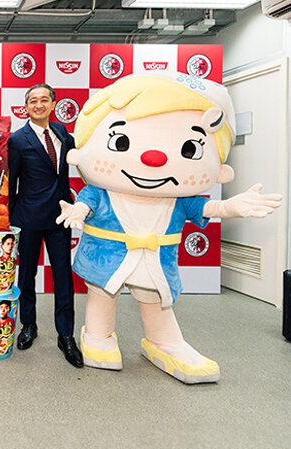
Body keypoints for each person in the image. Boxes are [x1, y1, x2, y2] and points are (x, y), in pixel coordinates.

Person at [57, 73, 281, 383]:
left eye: (190, 148)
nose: (153, 158)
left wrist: (228, 207)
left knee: (154, 301)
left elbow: (204, 207)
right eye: (121, 142)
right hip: (106, 258)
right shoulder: (102, 191)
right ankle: (98, 335)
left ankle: (164, 342)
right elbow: (87, 199)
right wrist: (78, 210)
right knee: (102, 296)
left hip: (156, 261)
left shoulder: (179, 198)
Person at [8, 83, 82, 367]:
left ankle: (66, 335)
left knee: (63, 277)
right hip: (28, 219)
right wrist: (14, 220)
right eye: (32, 101)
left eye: (43, 100)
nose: (38, 105)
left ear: (53, 104)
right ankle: (29, 325)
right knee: (26, 275)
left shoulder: (64, 134)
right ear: (26, 107)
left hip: (60, 217)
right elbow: (10, 182)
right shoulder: (17, 140)